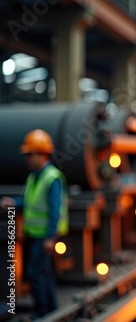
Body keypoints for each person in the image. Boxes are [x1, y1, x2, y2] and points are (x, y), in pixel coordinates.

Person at [1, 129, 68, 320]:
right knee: (43, 273)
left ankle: (41, 313)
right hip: (34, 234)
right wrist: (14, 203)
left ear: (42, 154)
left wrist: (50, 237)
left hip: (43, 237)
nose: (27, 159)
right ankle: (52, 310)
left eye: (30, 155)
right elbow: (30, 201)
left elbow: (55, 211)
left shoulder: (51, 178)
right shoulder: (34, 177)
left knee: (35, 273)